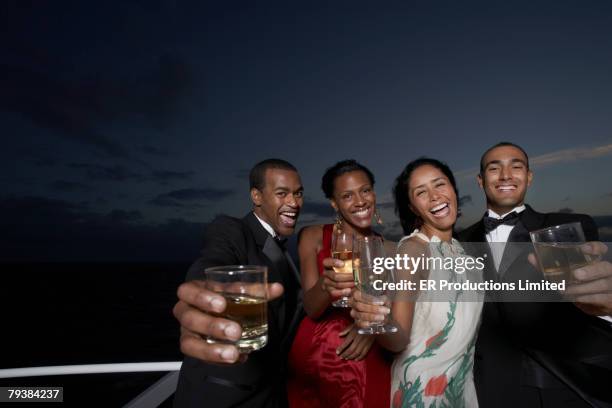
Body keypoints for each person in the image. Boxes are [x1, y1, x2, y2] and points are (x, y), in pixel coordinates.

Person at [458, 142, 612, 407]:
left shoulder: (566, 229)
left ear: (528, 177)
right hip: (485, 389)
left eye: (516, 167)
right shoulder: (458, 242)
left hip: (558, 388)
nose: (506, 175)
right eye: (495, 169)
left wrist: (604, 307)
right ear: (480, 180)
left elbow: (589, 292)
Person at [351, 158, 484, 407]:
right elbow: (399, 339)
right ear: (413, 207)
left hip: (460, 387)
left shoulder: (461, 252)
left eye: (440, 185)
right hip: (421, 391)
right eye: (421, 192)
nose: (434, 196)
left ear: (453, 190)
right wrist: (379, 322)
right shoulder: (413, 250)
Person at [173, 158, 304, 408]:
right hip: (225, 399)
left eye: (298, 194)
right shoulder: (231, 230)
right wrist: (204, 294)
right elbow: (211, 261)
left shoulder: (285, 252)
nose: (294, 203)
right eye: (282, 193)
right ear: (256, 196)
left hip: (273, 395)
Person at [286, 159, 392, 408]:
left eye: (365, 191)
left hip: (369, 355)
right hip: (317, 356)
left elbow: (393, 308)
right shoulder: (313, 236)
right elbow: (312, 309)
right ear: (334, 203)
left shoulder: (388, 247)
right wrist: (327, 283)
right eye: (347, 196)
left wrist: (371, 330)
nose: (360, 201)